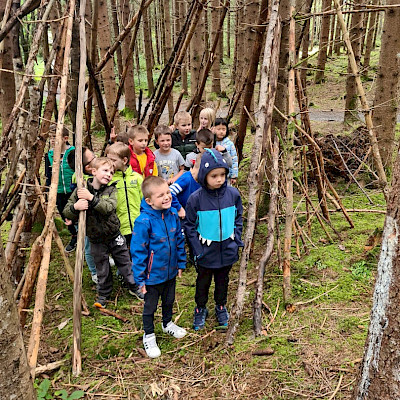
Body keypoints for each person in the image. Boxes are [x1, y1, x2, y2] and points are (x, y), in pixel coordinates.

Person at [63, 157, 140, 307]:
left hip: (114, 234)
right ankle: (104, 294)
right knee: (102, 267)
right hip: (95, 238)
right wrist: (76, 207)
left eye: (111, 172)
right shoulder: (81, 189)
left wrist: (91, 198)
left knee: (124, 261)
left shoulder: (112, 189)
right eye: (105, 171)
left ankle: (134, 286)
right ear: (93, 171)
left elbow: (108, 208)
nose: (109, 175)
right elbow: (67, 211)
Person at [184, 149, 243, 330]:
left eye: (223, 175)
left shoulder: (233, 195)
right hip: (205, 253)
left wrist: (236, 240)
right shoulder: (196, 199)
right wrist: (197, 250)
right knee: (203, 282)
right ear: (204, 176)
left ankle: (220, 305)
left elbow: (238, 218)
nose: (219, 179)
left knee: (222, 281)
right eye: (214, 175)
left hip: (227, 250)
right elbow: (189, 225)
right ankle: (200, 308)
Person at [131, 176, 187, 358]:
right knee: (150, 306)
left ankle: (167, 323)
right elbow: (138, 252)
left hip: (170, 271)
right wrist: (140, 279)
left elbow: (179, 239)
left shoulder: (172, 214)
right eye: (161, 195)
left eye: (168, 193)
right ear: (149, 201)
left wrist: (180, 262)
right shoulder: (143, 221)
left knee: (169, 299)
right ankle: (149, 334)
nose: (167, 197)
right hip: (152, 276)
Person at [67, 147, 98, 283]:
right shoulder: (80, 181)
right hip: (86, 220)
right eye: (93, 157)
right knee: (89, 246)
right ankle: (94, 271)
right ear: (87, 167)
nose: (97, 157)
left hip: (99, 219)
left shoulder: (96, 174)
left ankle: (102, 261)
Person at [45, 125, 77, 252]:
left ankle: (83, 235)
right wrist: (48, 190)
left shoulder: (73, 152)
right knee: (65, 215)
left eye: (55, 137)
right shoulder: (50, 154)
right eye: (51, 137)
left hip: (72, 190)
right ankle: (74, 235)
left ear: (65, 138)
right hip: (58, 191)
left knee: (76, 213)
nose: (52, 140)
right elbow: (48, 173)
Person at [105, 142, 143, 250]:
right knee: (122, 253)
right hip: (119, 227)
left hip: (138, 225)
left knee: (138, 251)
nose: (110, 163)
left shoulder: (137, 178)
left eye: (113, 160)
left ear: (124, 160)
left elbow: (144, 200)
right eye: (108, 160)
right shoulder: (109, 180)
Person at [170, 154, 201, 220]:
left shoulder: (203, 180)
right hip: (181, 217)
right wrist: (179, 208)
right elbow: (169, 192)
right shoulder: (186, 178)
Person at [213, 118, 238, 185]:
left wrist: (234, 176)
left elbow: (234, 159)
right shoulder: (211, 143)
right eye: (218, 129)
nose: (221, 131)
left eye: (223, 129)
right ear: (213, 129)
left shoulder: (229, 144)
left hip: (227, 175)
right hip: (213, 174)